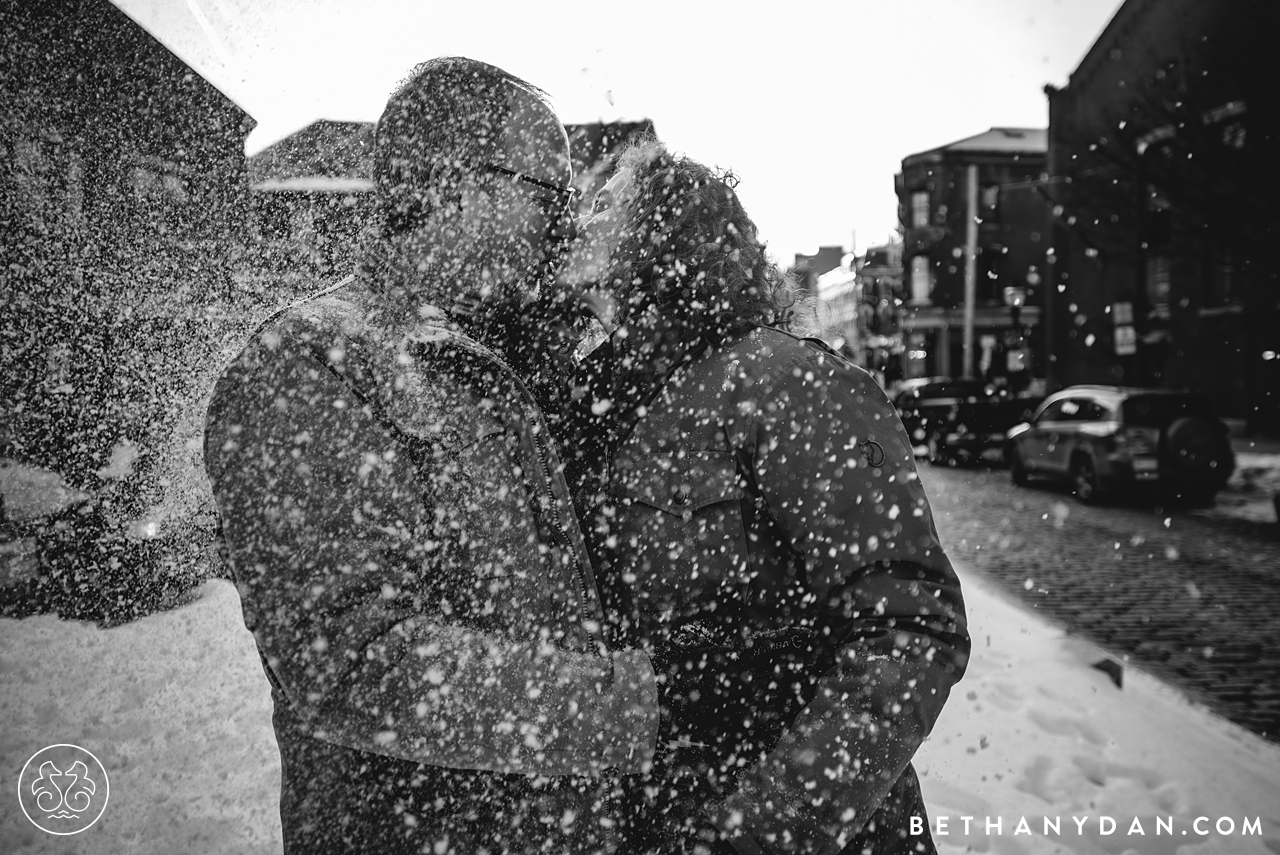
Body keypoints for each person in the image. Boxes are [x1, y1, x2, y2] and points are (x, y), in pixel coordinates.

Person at [203, 58, 660, 855]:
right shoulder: (313, 364)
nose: (564, 229)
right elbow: (351, 662)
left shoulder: (495, 360)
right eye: (549, 196)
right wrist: (632, 703)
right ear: (460, 187)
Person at [556, 139, 970, 855]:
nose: (580, 221)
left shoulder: (788, 385)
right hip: (656, 816)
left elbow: (910, 627)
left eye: (605, 203)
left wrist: (766, 827)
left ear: (666, 237)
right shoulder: (601, 399)